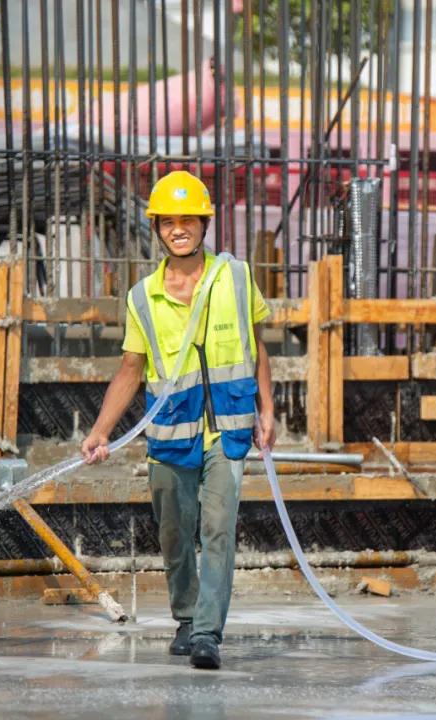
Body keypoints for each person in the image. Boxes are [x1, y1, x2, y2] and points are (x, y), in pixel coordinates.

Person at [80, 170, 276, 670]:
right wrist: (101, 430)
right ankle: (186, 617)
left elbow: (258, 349)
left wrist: (268, 411)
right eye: (169, 221)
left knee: (217, 530)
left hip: (227, 431)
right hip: (169, 434)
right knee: (174, 533)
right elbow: (131, 368)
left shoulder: (235, 276)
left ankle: (208, 632)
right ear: (158, 228)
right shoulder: (142, 297)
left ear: (204, 223)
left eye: (188, 220)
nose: (179, 229)